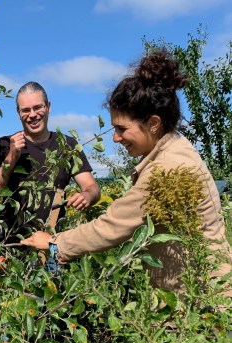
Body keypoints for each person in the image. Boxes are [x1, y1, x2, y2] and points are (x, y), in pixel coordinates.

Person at [21, 50, 232, 296]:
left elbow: (112, 226)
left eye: (122, 128)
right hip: (195, 290)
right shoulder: (174, 150)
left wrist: (54, 244)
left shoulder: (168, 167)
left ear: (153, 124)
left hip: (200, 298)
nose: (116, 137)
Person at [0, 81, 100, 245]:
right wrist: (11, 156)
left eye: (38, 107)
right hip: (10, 246)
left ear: (48, 107)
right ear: (18, 113)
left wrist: (88, 195)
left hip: (52, 245)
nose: (32, 114)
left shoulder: (67, 145)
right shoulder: (6, 144)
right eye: (25, 110)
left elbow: (92, 187)